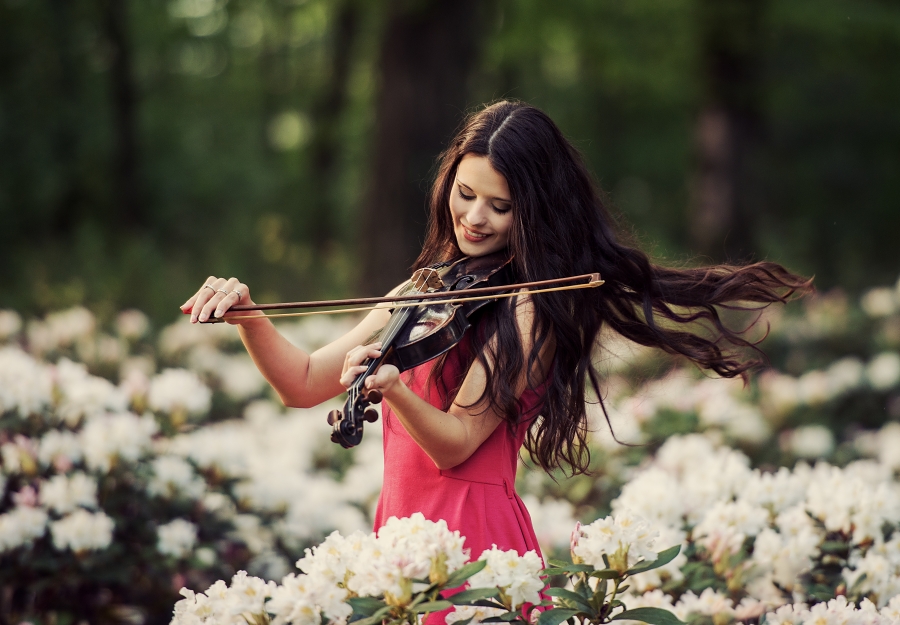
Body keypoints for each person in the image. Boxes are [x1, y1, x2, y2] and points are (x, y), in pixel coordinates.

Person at [181, 100, 810, 578]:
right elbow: (303, 383)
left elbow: (456, 446)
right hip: (400, 533)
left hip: (473, 543)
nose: (474, 217)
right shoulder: (428, 288)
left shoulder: (532, 309)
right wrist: (248, 313)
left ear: (533, 211)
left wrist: (394, 388)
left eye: (500, 206)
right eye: (465, 193)